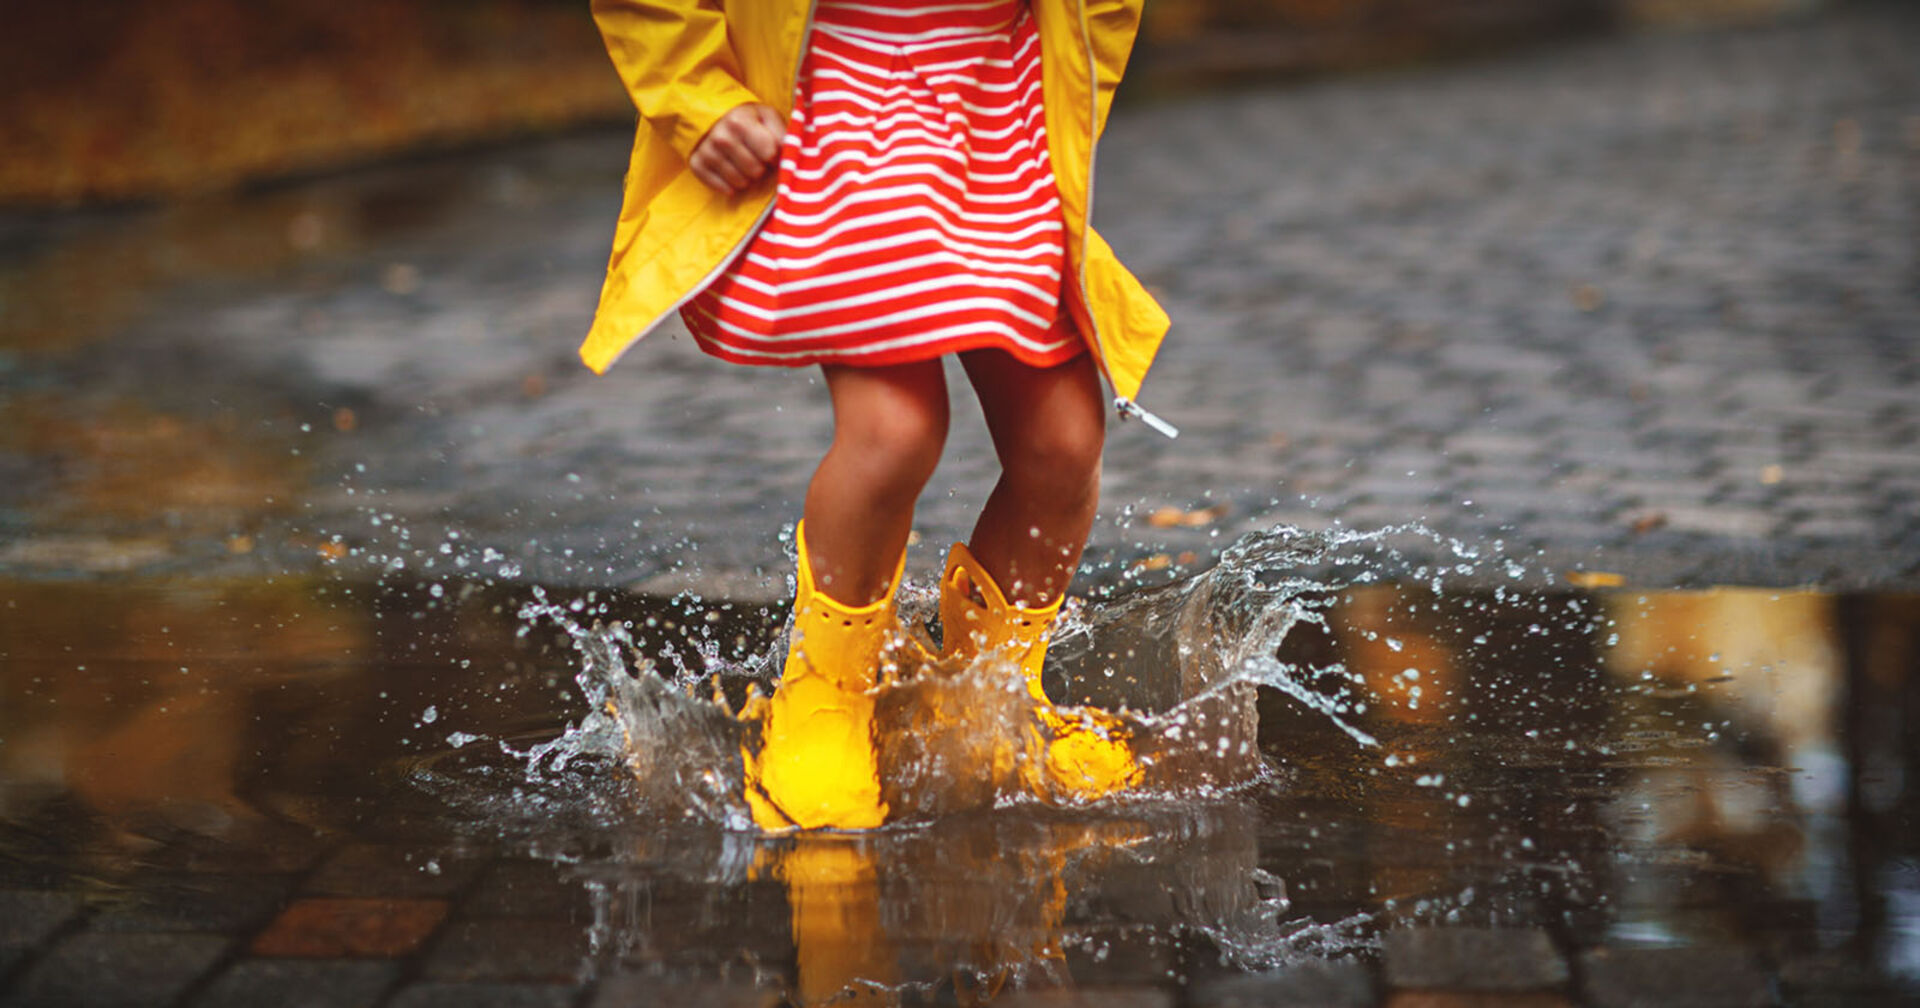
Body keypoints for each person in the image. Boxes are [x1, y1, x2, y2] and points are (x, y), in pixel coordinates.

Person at [583, 0, 1173, 831]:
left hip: (994, 116)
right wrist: (697, 94)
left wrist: (1067, 95)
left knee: (1063, 440)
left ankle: (988, 698)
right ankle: (824, 695)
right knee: (895, 431)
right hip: (835, 120)